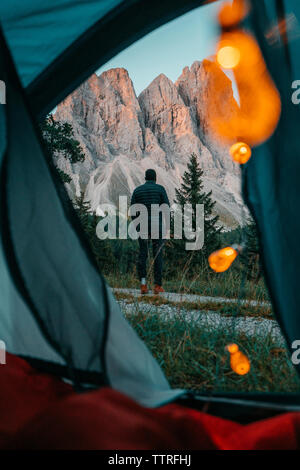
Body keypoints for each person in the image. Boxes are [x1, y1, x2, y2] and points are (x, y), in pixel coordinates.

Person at [130, 169, 170, 295]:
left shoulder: (137, 190)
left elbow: (132, 212)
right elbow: (166, 209)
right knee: (157, 255)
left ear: (145, 178)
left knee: (143, 255)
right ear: (155, 178)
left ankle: (143, 285)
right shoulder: (160, 189)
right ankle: (157, 286)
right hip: (157, 227)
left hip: (142, 226)